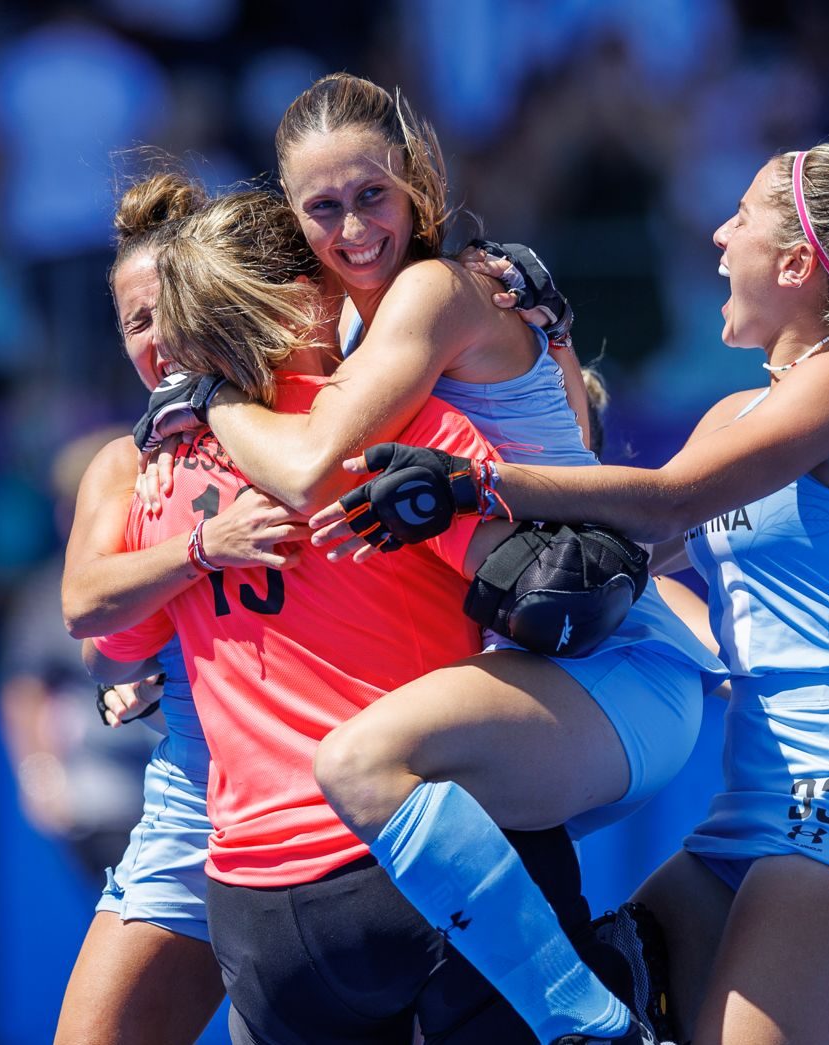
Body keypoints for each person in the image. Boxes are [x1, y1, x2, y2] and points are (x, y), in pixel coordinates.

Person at [316, 142, 829, 1045]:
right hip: (758, 803)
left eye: (742, 216)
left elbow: (664, 499)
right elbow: (614, 548)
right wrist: (542, 347)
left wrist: (476, 481)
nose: (717, 237)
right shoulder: (734, 417)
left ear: (795, 264)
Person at [147, 72, 723, 1045]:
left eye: (371, 194)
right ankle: (626, 971)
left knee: (361, 762)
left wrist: (208, 397)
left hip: (617, 664)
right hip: (561, 666)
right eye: (321, 208)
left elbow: (302, 465)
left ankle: (597, 1021)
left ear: (417, 181)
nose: (353, 228)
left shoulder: (425, 290)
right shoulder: (391, 316)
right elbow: (577, 428)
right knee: (411, 836)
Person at [84, 179, 628, 1045]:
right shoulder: (415, 427)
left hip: (263, 904)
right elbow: (550, 588)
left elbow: (116, 649)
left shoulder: (160, 478)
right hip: (424, 854)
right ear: (311, 295)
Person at [52, 173, 308, 1045]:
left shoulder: (312, 421)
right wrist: (198, 551)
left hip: (330, 794)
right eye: (134, 322)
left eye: (168, 306)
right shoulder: (123, 471)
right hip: (194, 800)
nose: (156, 338)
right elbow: (94, 632)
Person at [0, 426, 160, 884]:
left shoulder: (176, 564)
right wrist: (39, 776)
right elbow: (23, 692)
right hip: (102, 792)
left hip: (185, 785)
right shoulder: (46, 592)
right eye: (73, 502)